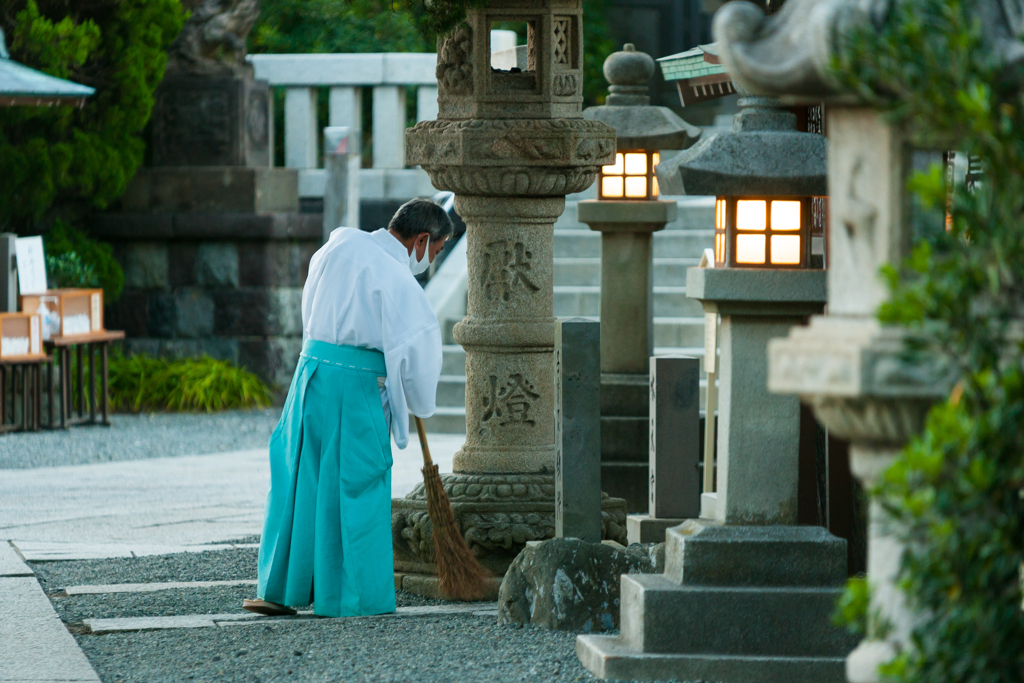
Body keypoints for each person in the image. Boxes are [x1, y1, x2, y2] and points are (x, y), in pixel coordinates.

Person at [243, 198, 454, 618]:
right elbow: (418, 359)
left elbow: (310, 302)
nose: (431, 260)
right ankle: (349, 596)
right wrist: (415, 400)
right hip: (356, 387)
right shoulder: (399, 281)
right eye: (436, 250)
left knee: (298, 479)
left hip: (310, 374)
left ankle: (279, 589)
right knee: (355, 485)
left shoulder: (339, 243)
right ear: (422, 240)